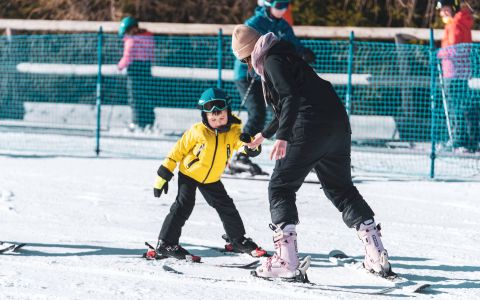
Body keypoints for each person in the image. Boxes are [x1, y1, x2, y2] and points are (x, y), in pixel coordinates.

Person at [231, 25, 392, 280]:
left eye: (244, 60)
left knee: (280, 186)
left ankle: (286, 260)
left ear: (250, 54)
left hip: (308, 127)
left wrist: (283, 136)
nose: (248, 66)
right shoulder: (284, 55)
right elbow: (290, 101)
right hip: (336, 125)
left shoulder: (271, 61)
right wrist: (264, 134)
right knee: (341, 188)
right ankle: (376, 253)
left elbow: (290, 97)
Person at [152, 87, 267, 260]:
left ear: (228, 112)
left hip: (211, 178)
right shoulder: (198, 131)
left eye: (222, 117)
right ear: (205, 117)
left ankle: (237, 240)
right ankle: (166, 243)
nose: (219, 122)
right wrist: (164, 172)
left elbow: (240, 143)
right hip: (189, 174)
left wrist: (250, 147)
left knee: (226, 206)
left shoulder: (233, 131)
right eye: (213, 119)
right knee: (183, 206)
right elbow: (178, 150)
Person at [229, 0, 315, 175]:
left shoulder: (283, 24)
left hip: (269, 74)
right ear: (268, 5)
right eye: (279, 6)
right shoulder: (254, 23)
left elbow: (292, 44)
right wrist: (253, 63)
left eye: (286, 5)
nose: (283, 10)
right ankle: (240, 156)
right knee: (258, 113)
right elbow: (242, 46)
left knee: (283, 110)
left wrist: (303, 51)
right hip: (248, 76)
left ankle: (301, 155)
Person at [437, 0, 479, 153]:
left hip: (453, 71)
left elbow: (455, 49)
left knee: (455, 106)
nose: (442, 13)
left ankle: (458, 138)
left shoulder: (455, 24)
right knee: (462, 104)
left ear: (451, 9)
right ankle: (468, 139)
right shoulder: (461, 22)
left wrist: (439, 54)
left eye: (444, 10)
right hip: (461, 71)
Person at [118, 16, 156, 131]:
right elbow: (152, 53)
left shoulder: (131, 41)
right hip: (146, 68)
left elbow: (127, 56)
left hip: (134, 71)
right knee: (146, 95)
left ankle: (136, 122)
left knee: (134, 97)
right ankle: (148, 122)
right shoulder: (149, 38)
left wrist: (119, 66)